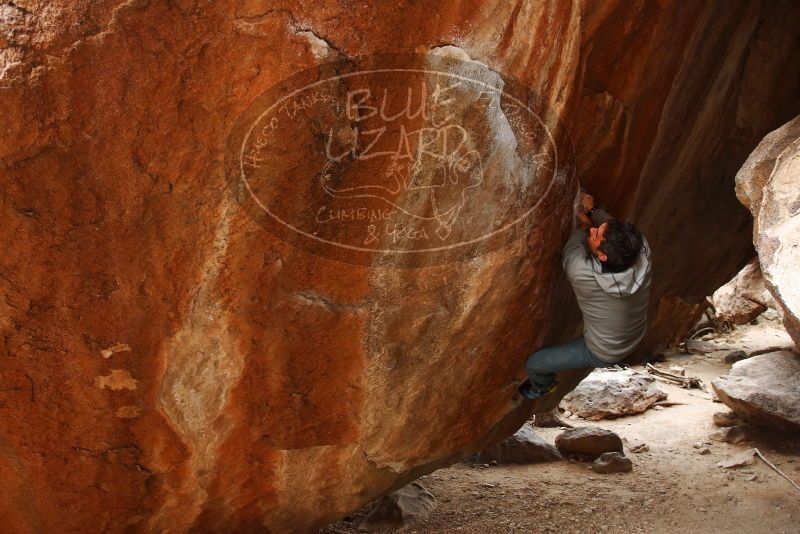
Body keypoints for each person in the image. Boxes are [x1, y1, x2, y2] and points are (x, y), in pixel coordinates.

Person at [519, 191, 652, 400]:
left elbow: (572, 251)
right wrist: (593, 211)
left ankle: (541, 387)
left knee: (535, 364)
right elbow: (616, 227)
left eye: (596, 234)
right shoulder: (641, 249)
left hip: (603, 350)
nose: (593, 230)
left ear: (602, 255)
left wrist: (584, 226)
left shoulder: (582, 272)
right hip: (635, 332)